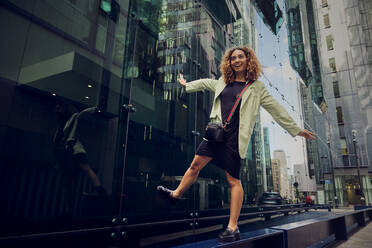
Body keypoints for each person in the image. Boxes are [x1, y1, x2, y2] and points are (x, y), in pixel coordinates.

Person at [157, 45, 315, 242]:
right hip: (216, 133)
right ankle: (176, 194)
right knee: (195, 165)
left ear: (248, 60)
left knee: (233, 181)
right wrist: (187, 85)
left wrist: (295, 129)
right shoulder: (223, 81)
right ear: (229, 62)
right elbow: (207, 83)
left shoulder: (257, 88)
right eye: (233, 58)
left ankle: (233, 227)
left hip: (234, 139)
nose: (237, 60)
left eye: (241, 57)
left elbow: (275, 108)